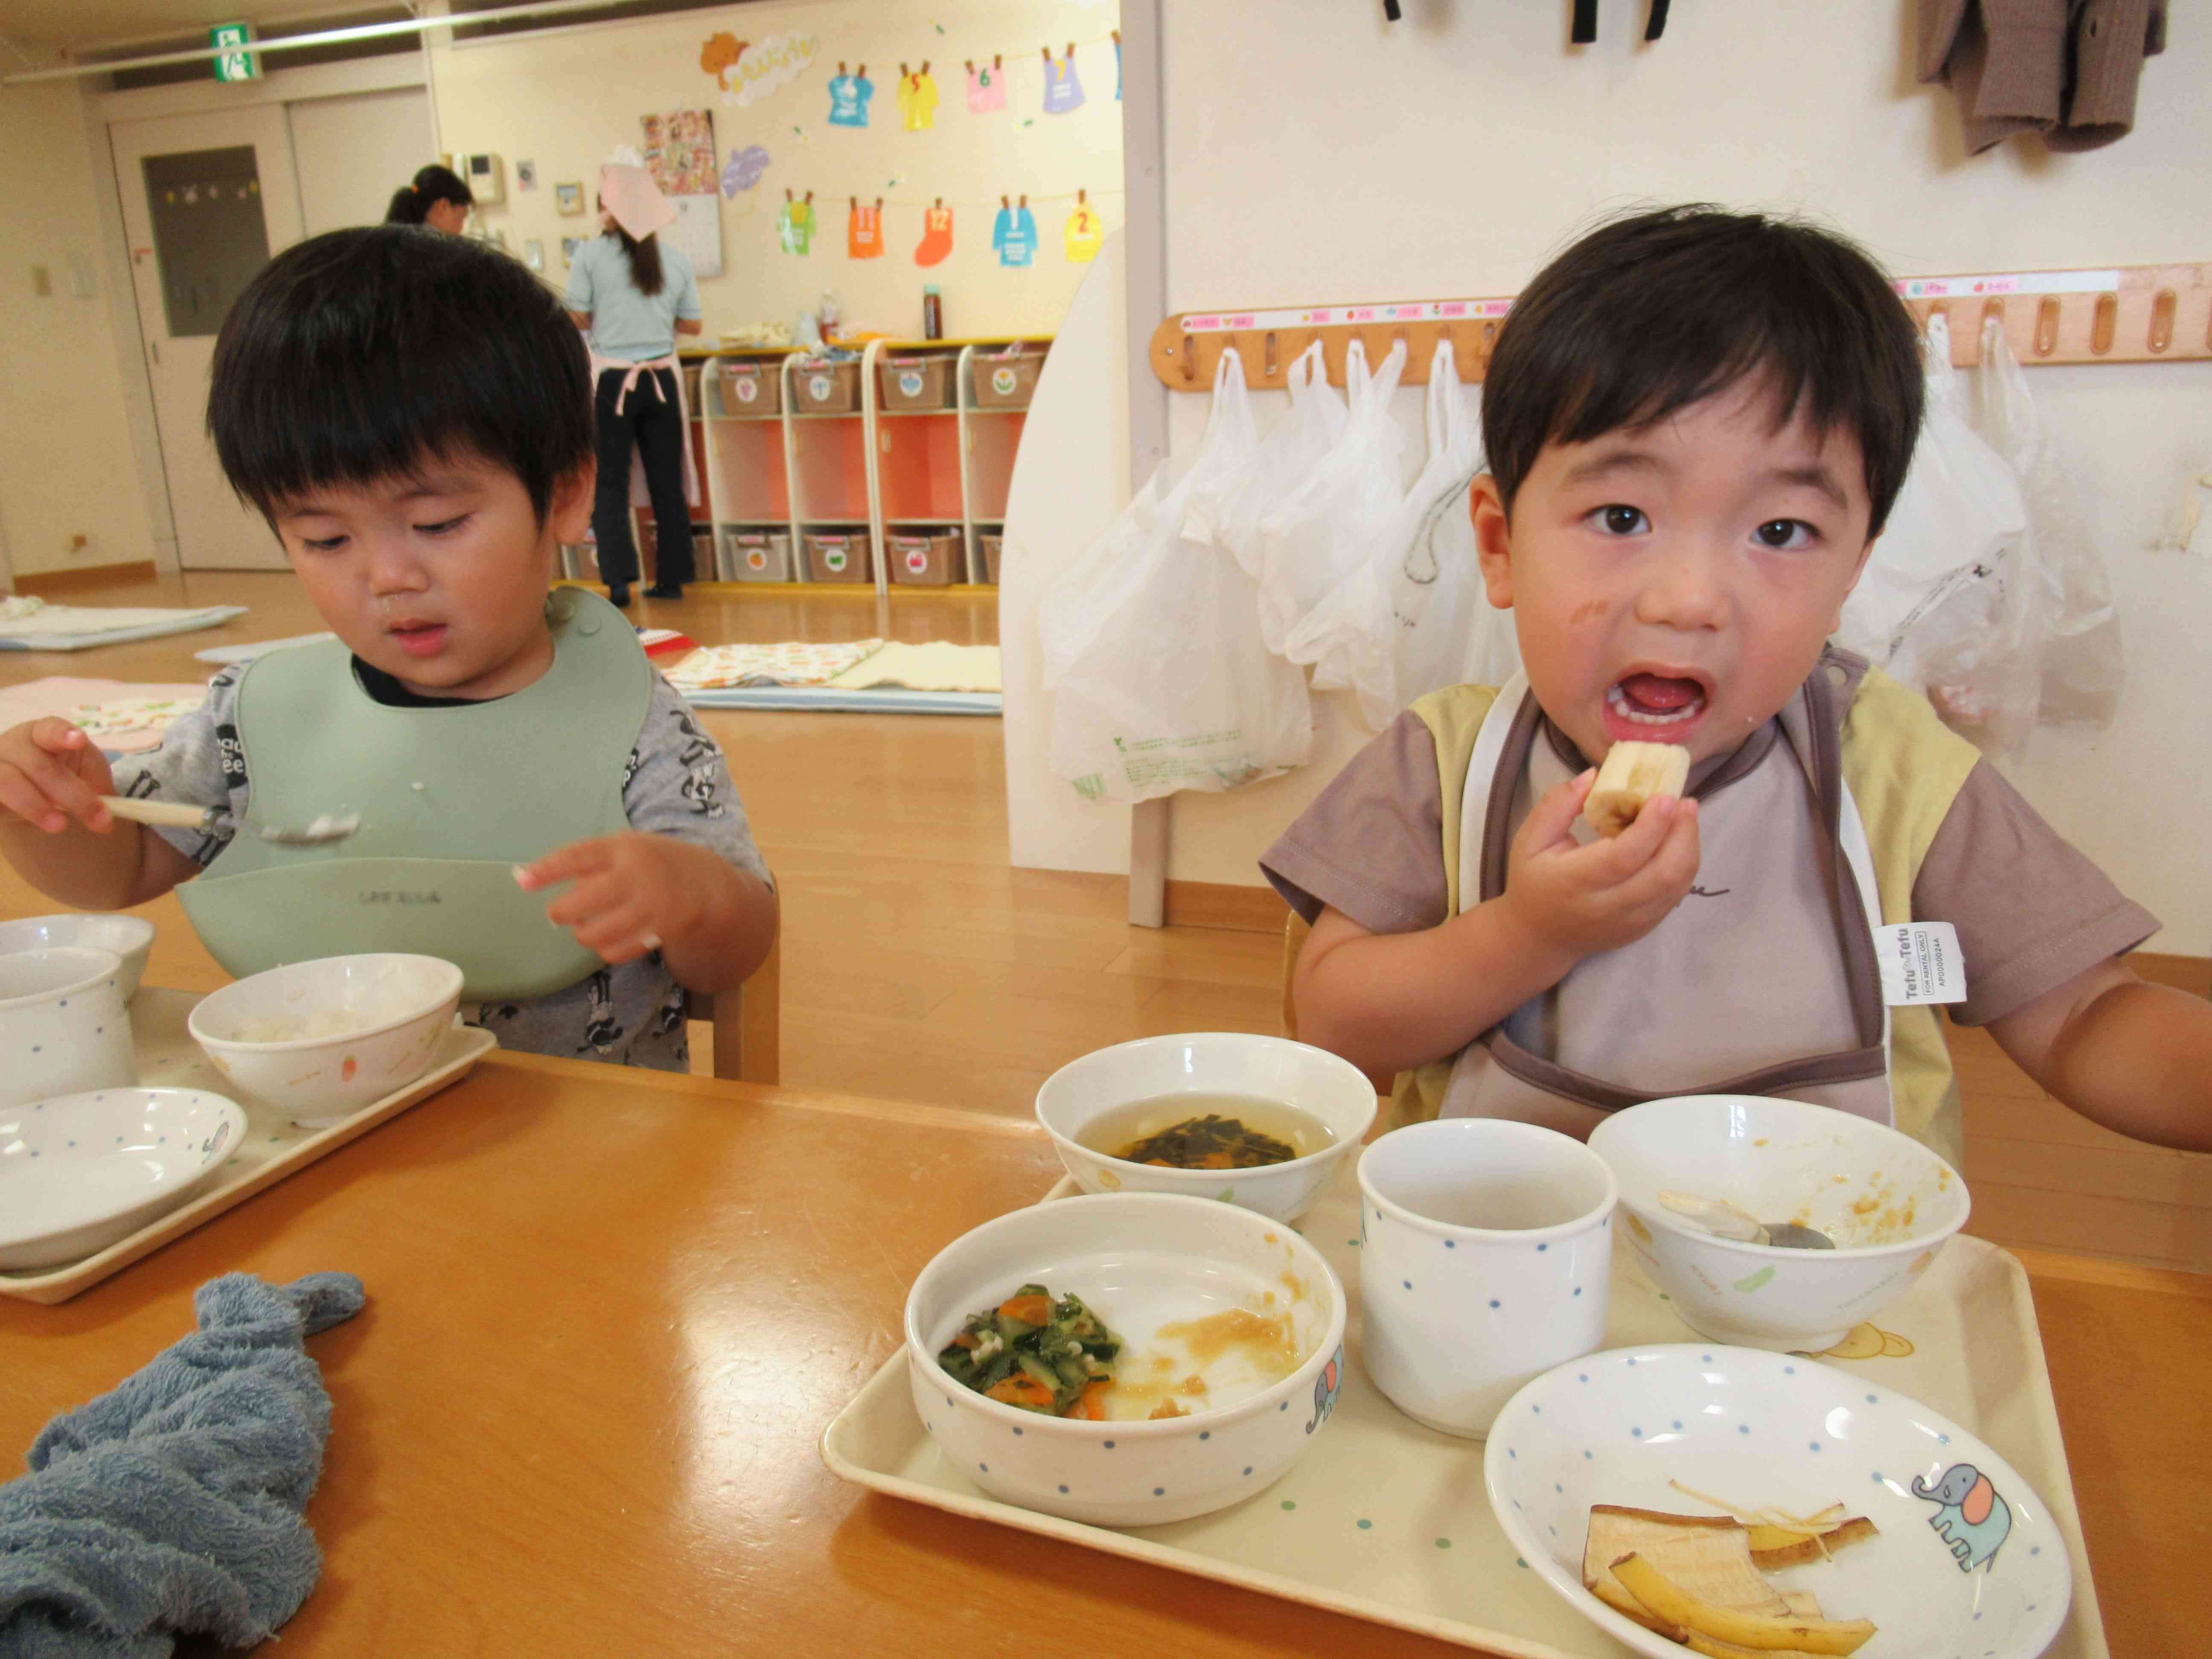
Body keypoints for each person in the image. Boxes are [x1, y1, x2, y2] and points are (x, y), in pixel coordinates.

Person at [1264, 204, 2212, 1167]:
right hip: (1505, 1276)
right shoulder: (1443, 762)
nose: (1689, 602)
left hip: (1829, 1293)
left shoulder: (1893, 766)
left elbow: (2088, 1015)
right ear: (1501, 545)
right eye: (1622, 514)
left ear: (1851, 574)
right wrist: (1528, 933)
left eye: (1780, 533)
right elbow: (1335, 1028)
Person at [0, 225, 776, 1071]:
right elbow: (120, 868)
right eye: (326, 540)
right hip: (327, 1115)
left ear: (564, 493)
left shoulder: (627, 717)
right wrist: (42, 810)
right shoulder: (256, 717)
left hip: (591, 1136)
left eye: (437, 524)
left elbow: (738, 950)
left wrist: (688, 894)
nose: (388, 576)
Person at [565, 148, 703, 607]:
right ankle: (673, 579)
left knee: (610, 484)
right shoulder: (677, 261)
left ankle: (619, 582)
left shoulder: (589, 257)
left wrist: (613, 323)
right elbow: (692, 326)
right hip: (663, 381)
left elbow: (578, 319)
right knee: (668, 482)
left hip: (612, 383)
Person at [384, 163, 473, 233]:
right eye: (462, 218)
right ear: (443, 206)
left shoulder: (399, 241)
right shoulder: (433, 251)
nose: (461, 228)